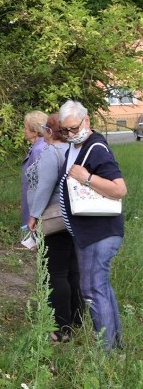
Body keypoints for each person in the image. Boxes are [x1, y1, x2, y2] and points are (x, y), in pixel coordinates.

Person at [57, 100, 127, 350]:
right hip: (88, 233)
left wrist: (87, 178)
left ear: (86, 121)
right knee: (99, 287)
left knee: (92, 289)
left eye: (73, 129)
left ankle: (105, 352)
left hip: (100, 233)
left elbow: (119, 189)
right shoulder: (75, 146)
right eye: (64, 131)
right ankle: (115, 345)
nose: (69, 134)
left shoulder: (96, 147)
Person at [25, 113, 82, 342]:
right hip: (74, 218)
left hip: (54, 218)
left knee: (56, 274)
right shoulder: (75, 150)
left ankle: (61, 328)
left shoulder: (52, 152)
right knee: (73, 271)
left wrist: (34, 215)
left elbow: (44, 188)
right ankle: (77, 319)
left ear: (50, 131)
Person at [21, 111, 48, 227]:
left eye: (25, 127)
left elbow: (40, 182)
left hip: (37, 210)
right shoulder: (38, 146)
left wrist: (35, 214)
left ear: (35, 131)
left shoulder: (39, 149)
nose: (24, 130)